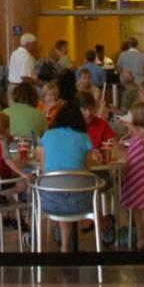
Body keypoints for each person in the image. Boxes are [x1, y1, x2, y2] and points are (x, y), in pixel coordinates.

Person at [36, 102, 99, 252]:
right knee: (73, 188)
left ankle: (65, 246)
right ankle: (104, 229)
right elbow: (87, 169)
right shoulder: (84, 138)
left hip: (50, 202)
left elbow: (45, 169)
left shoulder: (47, 136)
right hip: (81, 203)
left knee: (61, 188)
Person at [117, 101, 144, 249]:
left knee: (143, 209)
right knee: (135, 208)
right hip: (132, 174)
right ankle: (141, 237)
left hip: (142, 175)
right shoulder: (135, 134)